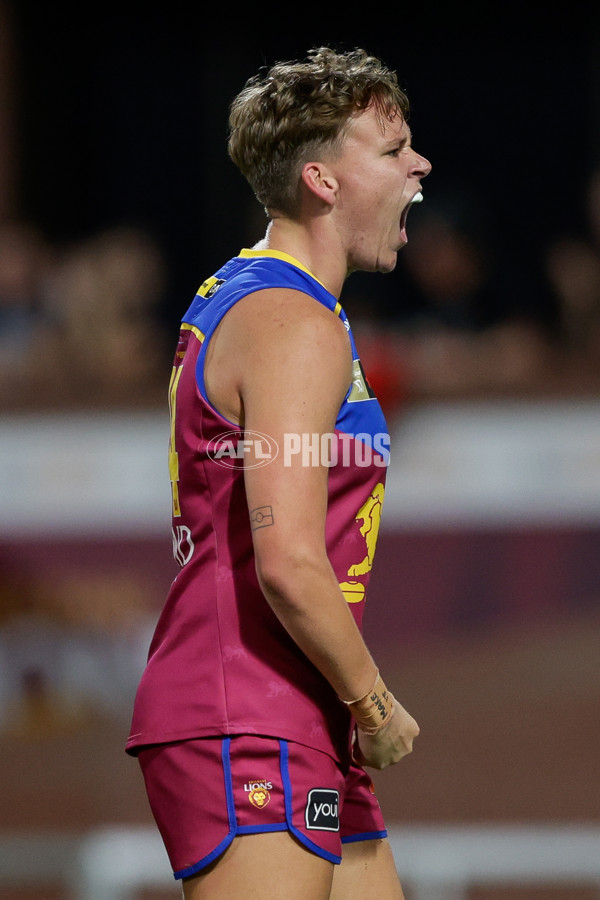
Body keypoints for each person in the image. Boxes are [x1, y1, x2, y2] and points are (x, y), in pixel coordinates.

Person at [126, 46, 431, 900]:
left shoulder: (247, 291)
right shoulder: (292, 322)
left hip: (299, 706)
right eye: (391, 146)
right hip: (249, 713)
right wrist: (375, 704)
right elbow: (289, 559)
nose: (419, 163)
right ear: (323, 180)